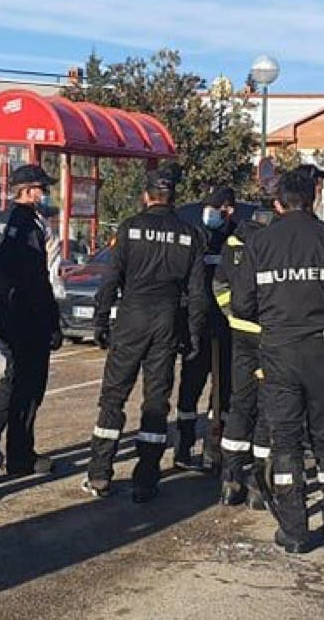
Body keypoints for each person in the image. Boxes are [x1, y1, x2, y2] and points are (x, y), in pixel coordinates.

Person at [233, 171, 324, 552]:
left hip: (278, 350)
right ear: (313, 198)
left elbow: (243, 303)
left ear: (278, 203)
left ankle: (294, 532)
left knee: (286, 440)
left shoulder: (260, 244)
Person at [84, 164, 208, 503]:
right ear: (173, 197)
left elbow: (110, 279)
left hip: (131, 318)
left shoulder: (130, 228)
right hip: (167, 320)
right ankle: (147, 479)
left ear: (146, 196)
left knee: (113, 396)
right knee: (156, 400)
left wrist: (100, 320)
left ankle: (99, 473)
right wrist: (194, 334)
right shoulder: (190, 234)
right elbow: (198, 293)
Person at [0, 164, 63, 475]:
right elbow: (37, 280)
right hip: (27, 313)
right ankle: (21, 455)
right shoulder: (29, 224)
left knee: (15, 376)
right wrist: (51, 321)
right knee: (30, 384)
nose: (45, 194)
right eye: (42, 188)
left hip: (5, 309)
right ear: (28, 190)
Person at [174, 186, 236, 471]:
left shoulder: (236, 239)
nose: (221, 213)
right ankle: (183, 447)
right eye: (216, 207)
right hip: (196, 326)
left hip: (226, 327)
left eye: (225, 208)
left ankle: (214, 448)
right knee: (189, 389)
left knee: (223, 393)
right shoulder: (196, 237)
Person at [214, 213, 270, 508]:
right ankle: (259, 485)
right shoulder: (273, 243)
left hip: (240, 335)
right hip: (270, 335)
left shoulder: (232, 243)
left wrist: (231, 316)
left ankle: (230, 478)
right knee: (265, 409)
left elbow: (220, 285)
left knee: (240, 404)